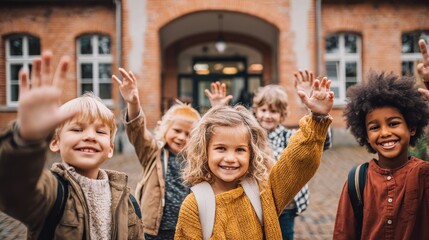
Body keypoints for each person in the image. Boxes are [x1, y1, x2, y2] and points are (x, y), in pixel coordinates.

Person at [0, 50, 144, 239]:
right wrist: (27, 140)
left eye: (100, 132)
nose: (90, 136)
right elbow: (12, 185)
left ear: (110, 149)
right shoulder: (50, 194)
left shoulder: (128, 201)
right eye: (77, 130)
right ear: (54, 142)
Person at [174, 77, 334, 239]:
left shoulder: (263, 191)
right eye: (221, 148)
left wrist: (317, 118)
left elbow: (297, 163)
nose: (230, 158)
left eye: (240, 150)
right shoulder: (194, 206)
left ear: (252, 154)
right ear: (204, 151)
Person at [333, 39, 429, 239]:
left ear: (411, 127)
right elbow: (344, 233)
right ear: (366, 136)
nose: (385, 133)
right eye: (375, 127)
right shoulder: (357, 180)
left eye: (393, 123)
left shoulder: (424, 175)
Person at [112, 68, 201, 240]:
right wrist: (133, 103)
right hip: (154, 231)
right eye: (177, 130)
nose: (181, 137)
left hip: (186, 229)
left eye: (188, 134)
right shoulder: (154, 153)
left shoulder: (197, 159)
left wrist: (219, 107)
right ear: (166, 129)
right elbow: (137, 132)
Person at [252, 70, 332, 240]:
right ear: (256, 110)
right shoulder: (250, 137)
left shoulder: (288, 136)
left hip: (286, 207)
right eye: (263, 110)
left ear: (282, 115)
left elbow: (318, 142)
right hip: (257, 204)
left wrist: (315, 112)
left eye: (273, 111)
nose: (267, 115)